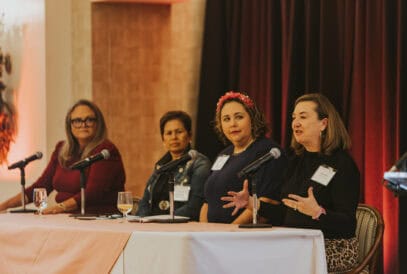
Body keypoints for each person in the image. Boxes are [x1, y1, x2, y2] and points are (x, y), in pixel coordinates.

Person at [222, 93, 360, 272]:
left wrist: (318, 213)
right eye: (294, 117)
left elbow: (348, 224)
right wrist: (252, 204)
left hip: (333, 247)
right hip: (298, 243)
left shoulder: (342, 163)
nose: (295, 123)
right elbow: (286, 213)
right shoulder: (295, 161)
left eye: (303, 117)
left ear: (323, 123)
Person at [0, 99, 126, 214]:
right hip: (66, 217)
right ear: (69, 125)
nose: (83, 125)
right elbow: (42, 186)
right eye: (77, 120)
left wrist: (56, 208)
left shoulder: (106, 151)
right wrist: (4, 206)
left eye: (89, 119)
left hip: (98, 219)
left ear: (98, 124)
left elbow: (92, 193)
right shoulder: (62, 149)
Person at [200, 91, 287, 224]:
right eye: (226, 119)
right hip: (214, 238)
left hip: (241, 238)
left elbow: (267, 201)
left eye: (239, 117)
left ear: (252, 118)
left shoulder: (268, 152)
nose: (232, 124)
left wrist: (229, 233)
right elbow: (207, 201)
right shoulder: (223, 154)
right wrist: (205, 232)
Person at [136, 111, 211, 221]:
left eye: (179, 132)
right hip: (154, 226)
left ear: (189, 135)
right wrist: (143, 220)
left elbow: (195, 206)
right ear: (163, 139)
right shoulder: (161, 166)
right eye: (169, 133)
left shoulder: (199, 163)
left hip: (183, 227)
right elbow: (145, 201)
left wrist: (161, 221)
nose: (174, 137)